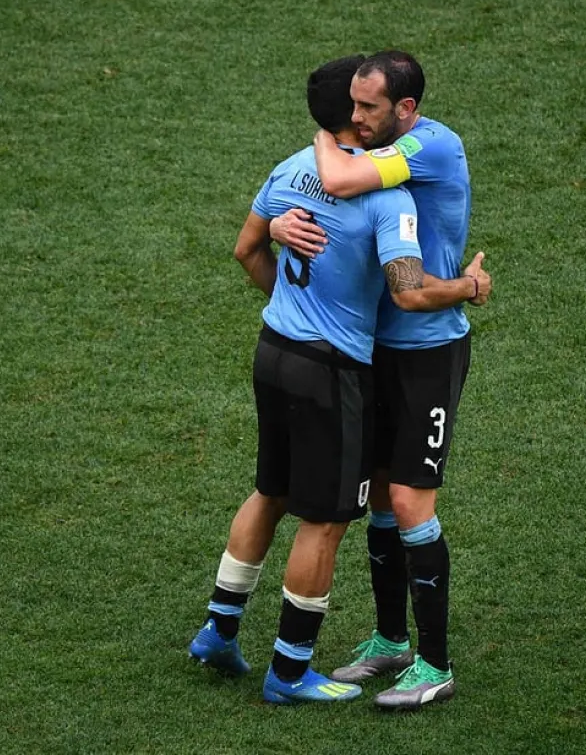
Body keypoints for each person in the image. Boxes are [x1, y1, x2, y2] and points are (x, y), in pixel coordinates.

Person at [188, 54, 488, 706]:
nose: (358, 117)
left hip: (427, 350)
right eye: (350, 107)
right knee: (378, 497)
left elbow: (341, 188)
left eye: (369, 108)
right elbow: (329, 183)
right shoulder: (358, 155)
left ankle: (434, 665)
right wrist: (280, 224)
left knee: (406, 503)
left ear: (403, 110)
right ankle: (389, 641)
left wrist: (466, 287)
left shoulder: (428, 146)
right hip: (364, 352)